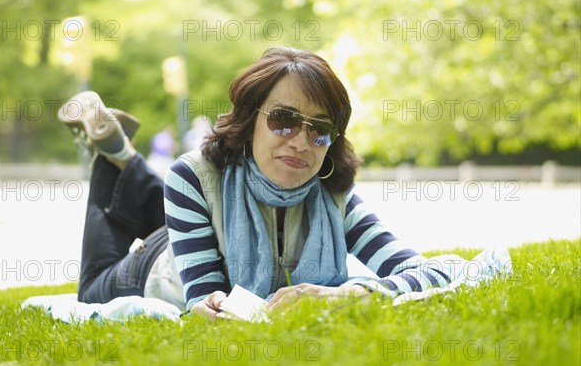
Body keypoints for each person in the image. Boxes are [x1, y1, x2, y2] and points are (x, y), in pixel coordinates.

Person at [58, 47, 452, 320]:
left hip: (198, 216)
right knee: (90, 286)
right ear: (250, 119)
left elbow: (432, 272)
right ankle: (111, 151)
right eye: (283, 119)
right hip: (152, 265)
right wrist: (208, 305)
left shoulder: (335, 197)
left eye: (320, 129)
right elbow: (206, 296)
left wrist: (350, 293)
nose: (300, 141)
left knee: (186, 192)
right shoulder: (193, 175)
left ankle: (121, 150)